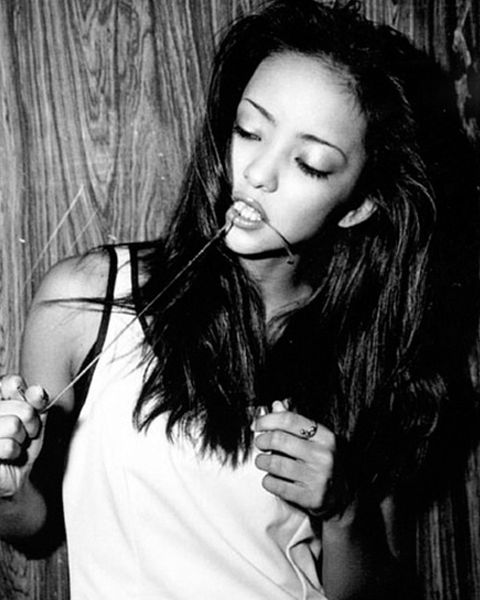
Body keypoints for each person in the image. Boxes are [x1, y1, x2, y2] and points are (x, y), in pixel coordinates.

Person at [0, 0, 476, 598]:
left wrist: (344, 509)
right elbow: (30, 526)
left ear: (358, 205)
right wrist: (9, 484)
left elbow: (366, 591)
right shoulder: (85, 299)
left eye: (310, 163)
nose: (257, 173)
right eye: (250, 131)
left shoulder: (369, 348)